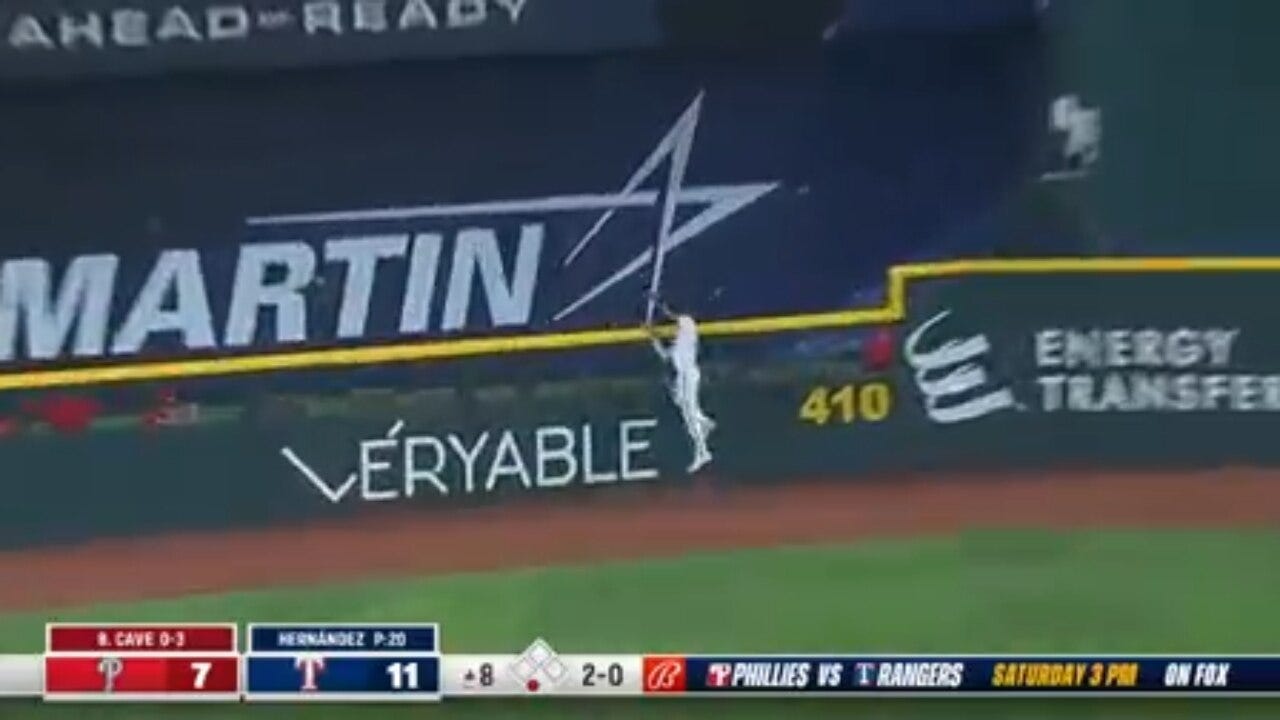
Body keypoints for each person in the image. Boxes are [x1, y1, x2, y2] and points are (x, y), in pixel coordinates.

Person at [646, 298, 716, 473]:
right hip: (683, 377)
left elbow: (672, 314)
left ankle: (703, 450)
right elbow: (664, 355)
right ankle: (703, 421)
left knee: (688, 414)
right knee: (680, 402)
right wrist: (652, 335)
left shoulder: (688, 324)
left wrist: (658, 303)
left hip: (687, 376)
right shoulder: (677, 343)